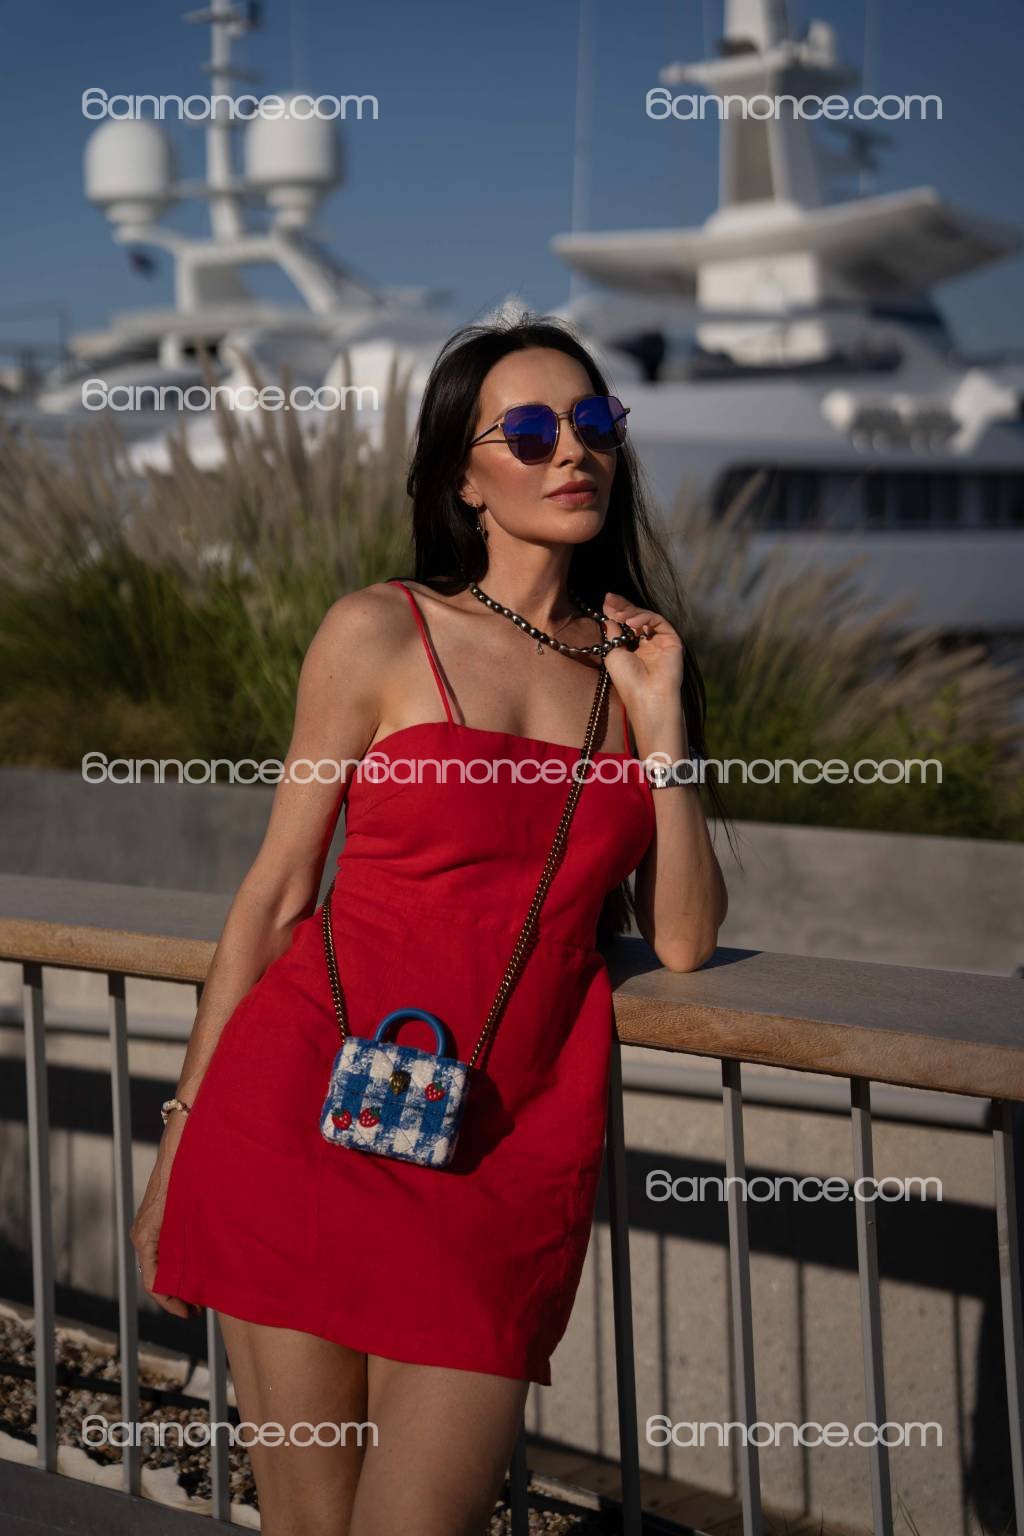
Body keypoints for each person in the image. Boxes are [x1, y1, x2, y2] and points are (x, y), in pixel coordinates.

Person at [132, 314, 728, 1536]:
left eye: (594, 421)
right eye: (530, 430)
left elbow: (679, 940)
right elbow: (276, 895)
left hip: (502, 1149)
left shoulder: (635, 666)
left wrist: (664, 728)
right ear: (464, 477)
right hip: (297, 1119)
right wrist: (180, 1139)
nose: (573, 451)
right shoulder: (377, 632)